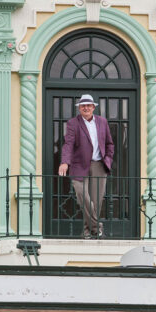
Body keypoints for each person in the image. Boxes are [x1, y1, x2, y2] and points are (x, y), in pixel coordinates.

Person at [58, 93, 114, 238]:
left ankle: (87, 232)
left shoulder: (102, 122)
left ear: (94, 107)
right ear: (79, 108)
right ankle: (97, 227)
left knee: (96, 200)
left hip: (99, 165)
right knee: (82, 195)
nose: (86, 108)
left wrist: (108, 158)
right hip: (78, 165)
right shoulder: (73, 123)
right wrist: (65, 162)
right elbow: (68, 144)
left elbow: (109, 143)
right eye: (83, 106)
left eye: (89, 105)